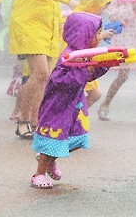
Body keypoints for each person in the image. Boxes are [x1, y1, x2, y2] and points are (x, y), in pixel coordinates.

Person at [9, 0, 78, 140]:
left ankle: (37, 122)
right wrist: (68, 0)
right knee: (39, 73)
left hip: (47, 20)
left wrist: (64, 8)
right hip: (28, 20)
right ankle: (23, 120)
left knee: (44, 76)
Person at [30, 12, 110, 188]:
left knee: (76, 137)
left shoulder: (83, 54)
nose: (99, 38)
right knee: (52, 137)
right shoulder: (68, 57)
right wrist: (85, 71)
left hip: (73, 105)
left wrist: (102, 66)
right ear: (83, 35)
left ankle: (51, 159)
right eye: (96, 34)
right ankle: (39, 172)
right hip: (57, 106)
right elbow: (60, 81)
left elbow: (87, 76)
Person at [70, 0, 114, 108]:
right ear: (95, 3)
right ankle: (73, 115)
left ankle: (74, 115)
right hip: (76, 64)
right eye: (102, 8)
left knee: (89, 94)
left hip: (79, 63)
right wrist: (101, 36)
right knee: (93, 94)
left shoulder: (83, 15)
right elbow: (81, 43)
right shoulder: (82, 18)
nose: (103, 12)